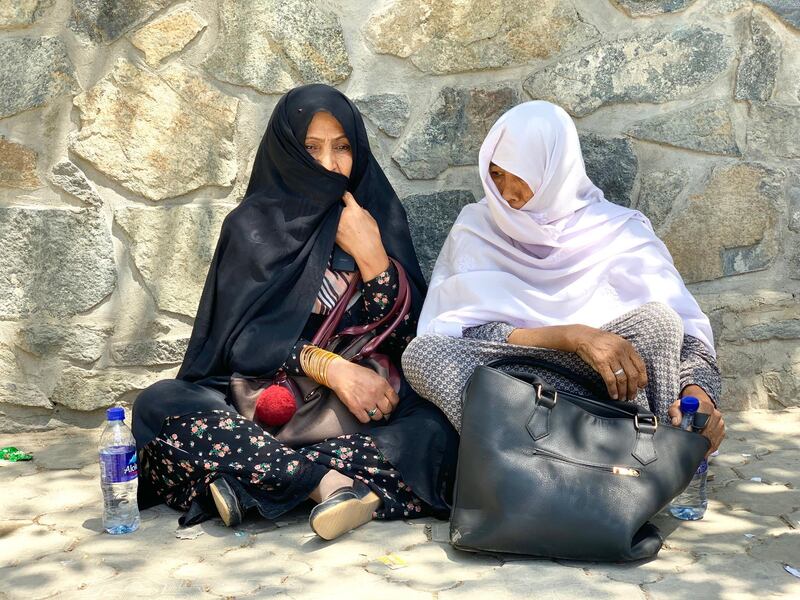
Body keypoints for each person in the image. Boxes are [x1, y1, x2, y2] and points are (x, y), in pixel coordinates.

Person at [132, 84, 458, 541]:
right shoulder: (252, 226)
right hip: (262, 408)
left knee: (439, 430)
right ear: (287, 151)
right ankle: (325, 484)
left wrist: (373, 258)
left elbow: (413, 340)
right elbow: (240, 343)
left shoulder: (377, 215)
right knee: (159, 405)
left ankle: (245, 480)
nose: (329, 163)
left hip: (359, 416)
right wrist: (333, 369)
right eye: (312, 147)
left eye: (342, 147)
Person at [402, 101, 725, 455]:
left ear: (555, 168)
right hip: (520, 381)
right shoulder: (477, 227)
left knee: (659, 322)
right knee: (422, 354)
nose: (507, 194)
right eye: (496, 174)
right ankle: (538, 466)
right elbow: (465, 333)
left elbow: (690, 341)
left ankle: (655, 459)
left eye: (520, 175)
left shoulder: (621, 231)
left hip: (611, 387)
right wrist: (572, 336)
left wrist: (699, 398)